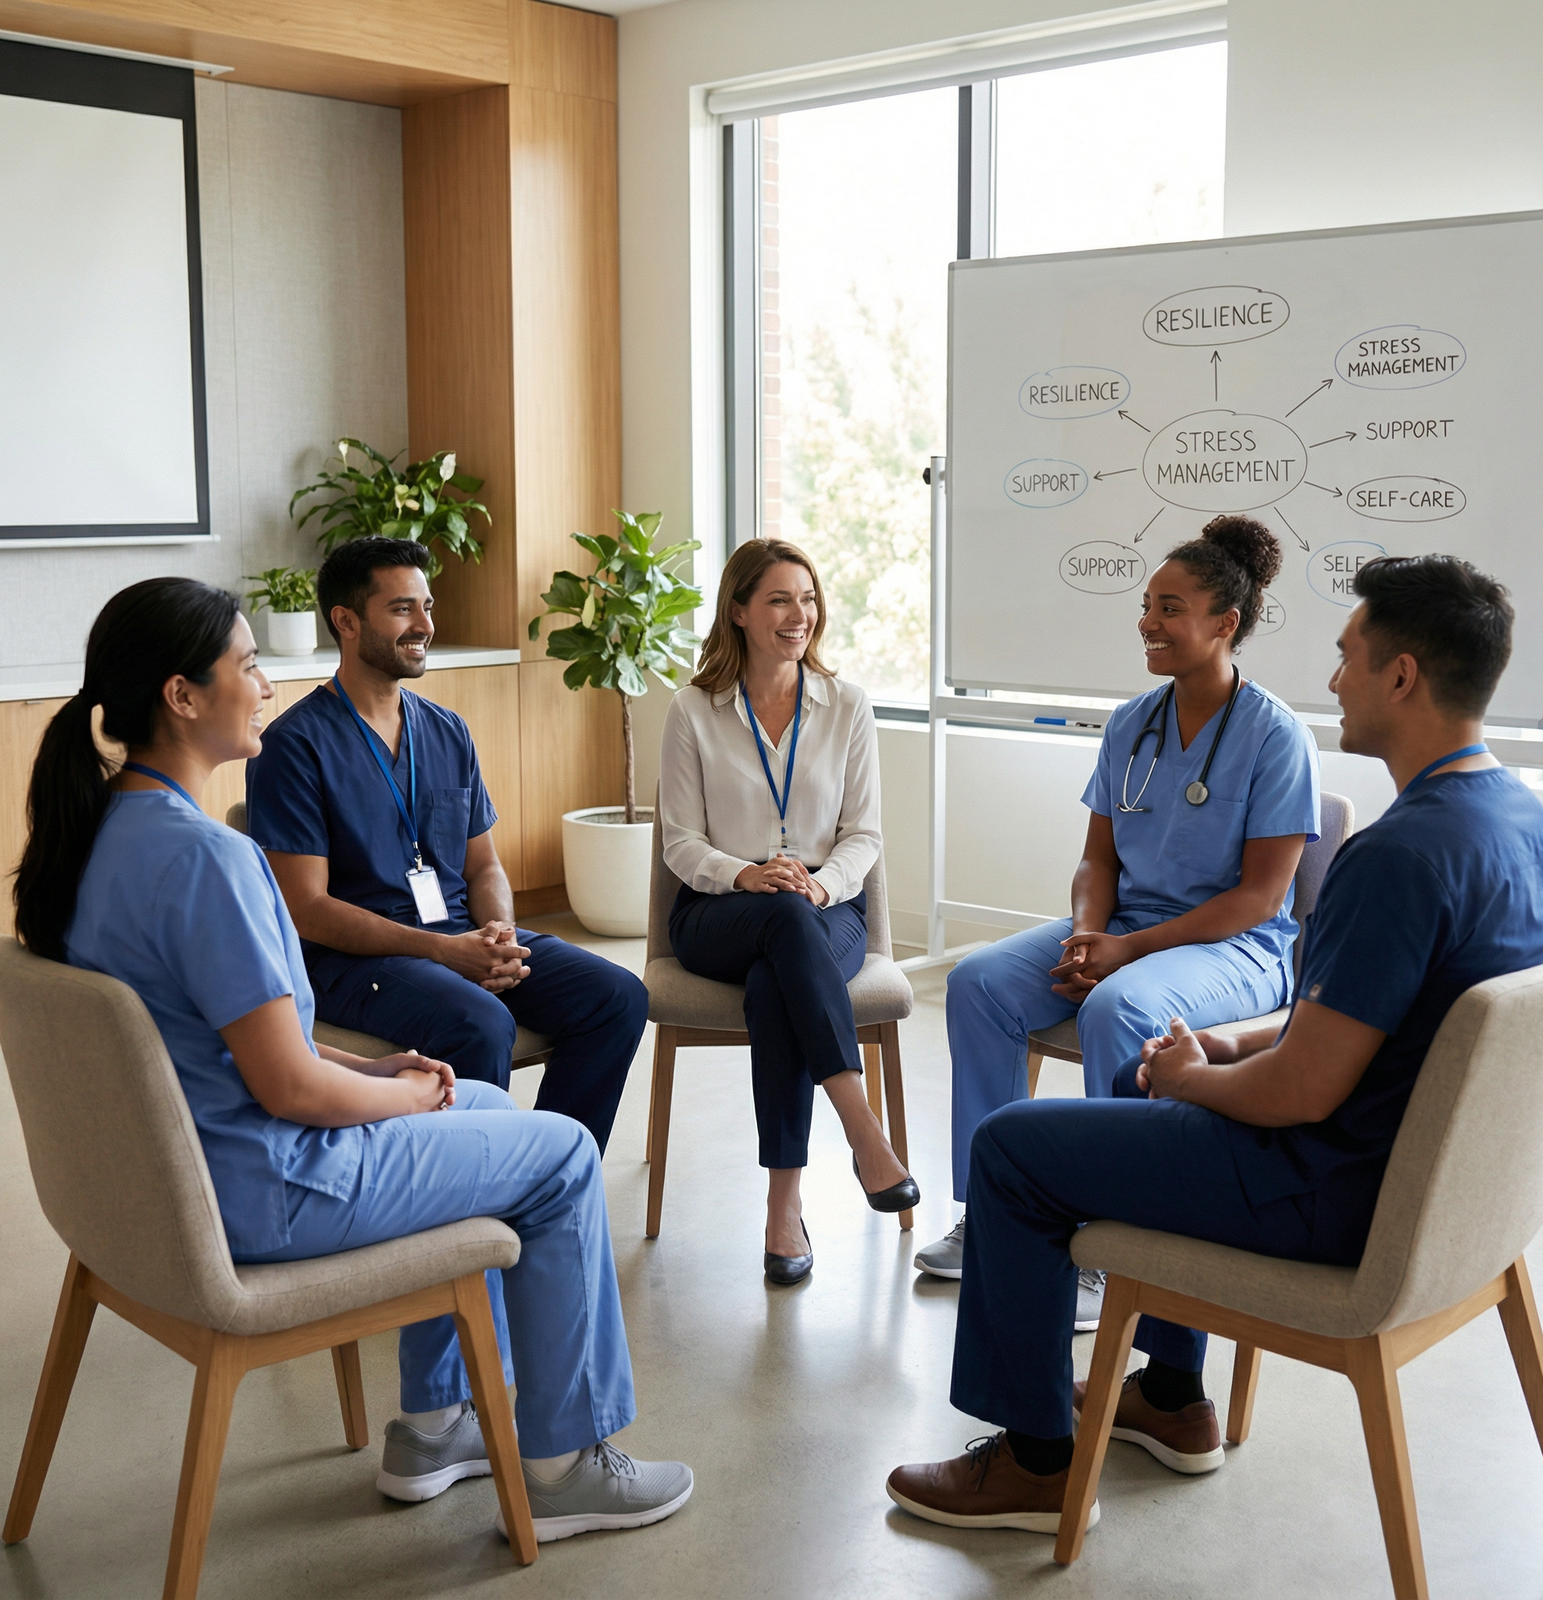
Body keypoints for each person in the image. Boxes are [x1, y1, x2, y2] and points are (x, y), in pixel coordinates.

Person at [886, 554, 1543, 1533]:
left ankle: (1036, 1459)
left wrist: (1186, 1078)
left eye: (1346, 657)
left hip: (1327, 1191)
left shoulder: (1395, 858)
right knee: (1107, 1068)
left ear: (1402, 674)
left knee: (1013, 1150)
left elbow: (1297, 1091)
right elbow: (1359, 1021)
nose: (1332, 678)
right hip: (1442, 1200)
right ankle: (1170, 1398)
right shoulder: (1524, 827)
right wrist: (1227, 1039)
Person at [12, 577, 691, 1537]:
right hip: (269, 1186)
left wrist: (378, 1072)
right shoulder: (209, 860)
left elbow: (231, 1049)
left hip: (178, 1183)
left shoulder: (95, 842)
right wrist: (407, 1103)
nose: (265, 684)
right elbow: (288, 1086)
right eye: (247, 665)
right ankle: (565, 1462)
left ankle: (435, 1424)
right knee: (564, 1157)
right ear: (182, 695)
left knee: (499, 1116)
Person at [916, 515, 1320, 1337]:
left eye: (1170, 608)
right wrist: (1086, 935)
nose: (1148, 623)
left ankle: (1109, 1241)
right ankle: (988, 1209)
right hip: (1129, 927)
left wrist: (1124, 954)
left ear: (1224, 624)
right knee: (980, 983)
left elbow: (1259, 899)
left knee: (1119, 1008)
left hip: (1237, 948)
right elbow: (1096, 860)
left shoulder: (1277, 737)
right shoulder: (1132, 722)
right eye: (1146, 606)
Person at [245, 537, 646, 1153]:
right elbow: (307, 909)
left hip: (458, 934)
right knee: (481, 1024)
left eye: (427, 606)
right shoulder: (293, 747)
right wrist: (445, 952)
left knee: (617, 996)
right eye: (403, 609)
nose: (426, 626)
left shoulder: (446, 729)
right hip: (352, 962)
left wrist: (499, 938)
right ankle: (471, 1204)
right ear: (346, 622)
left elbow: (483, 863)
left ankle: (549, 1178)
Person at [658, 537, 919, 1285]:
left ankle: (784, 1207)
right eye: (778, 599)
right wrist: (747, 876)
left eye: (807, 599)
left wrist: (819, 885)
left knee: (783, 973)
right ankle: (862, 1130)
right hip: (720, 909)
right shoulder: (692, 710)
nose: (798, 615)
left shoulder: (848, 707)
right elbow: (679, 842)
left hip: (823, 904)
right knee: (779, 922)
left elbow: (864, 834)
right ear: (738, 611)